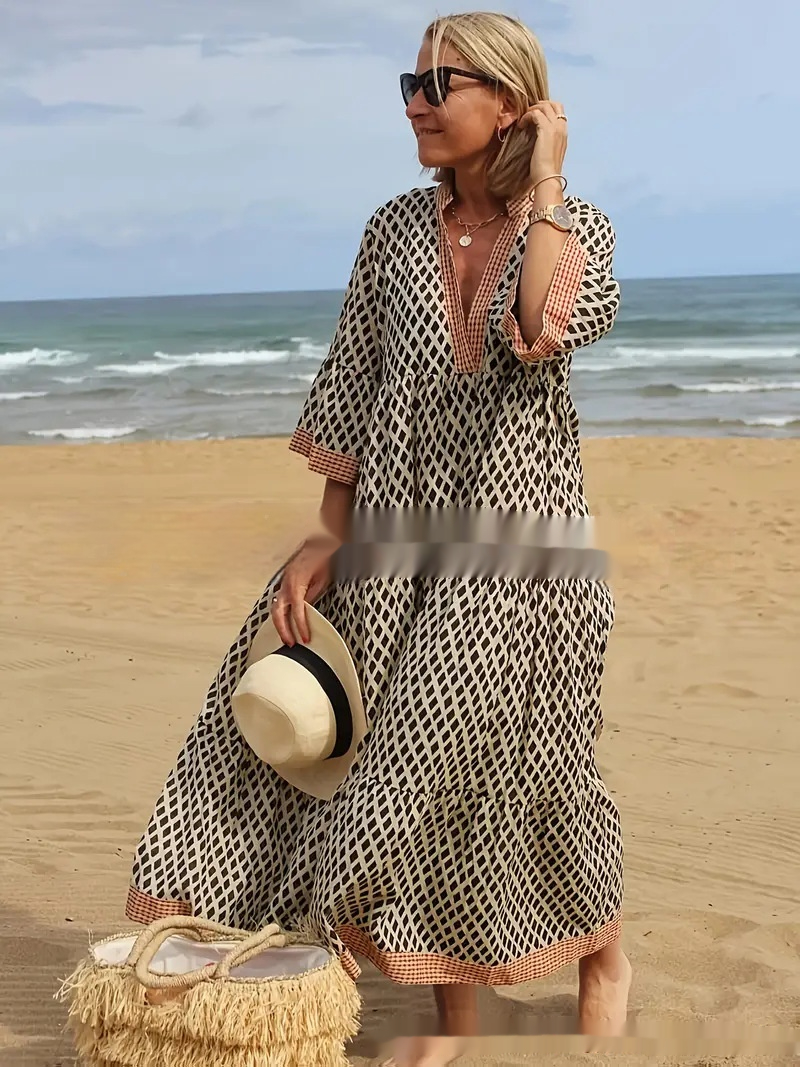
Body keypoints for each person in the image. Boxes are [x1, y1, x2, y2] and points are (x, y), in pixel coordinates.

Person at [126, 11, 630, 1067]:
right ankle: (453, 1013)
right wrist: (325, 534)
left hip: (520, 553)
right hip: (393, 542)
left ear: (511, 101)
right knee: (285, 734)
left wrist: (546, 179)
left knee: (494, 771)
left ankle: (597, 958)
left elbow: (544, 328)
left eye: (440, 84)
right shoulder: (393, 229)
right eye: (409, 82)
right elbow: (354, 385)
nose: (414, 104)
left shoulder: (571, 225)